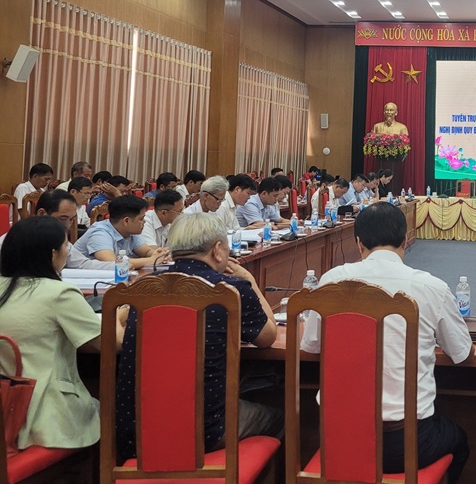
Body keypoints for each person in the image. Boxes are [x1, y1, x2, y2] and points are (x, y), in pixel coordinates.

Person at [301, 203, 473, 483]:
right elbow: (462, 354)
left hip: (340, 440)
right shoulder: (432, 287)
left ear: (358, 243)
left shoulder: (331, 281)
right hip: (405, 445)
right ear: (405, 241)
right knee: (461, 441)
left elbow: (311, 345)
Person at [116, 213, 281, 461]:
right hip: (206, 431)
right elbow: (268, 336)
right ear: (217, 250)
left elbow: (124, 323)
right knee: (280, 417)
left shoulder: (144, 288)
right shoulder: (231, 290)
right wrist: (250, 280)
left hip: (135, 431)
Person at [0, 215, 126, 450]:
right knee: (118, 412)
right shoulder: (60, 293)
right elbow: (112, 343)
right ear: (52, 254)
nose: (68, 252)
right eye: (66, 246)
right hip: (44, 416)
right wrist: (117, 312)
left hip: (6, 405)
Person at [73, 195, 169, 269]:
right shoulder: (100, 232)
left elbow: (147, 251)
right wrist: (151, 260)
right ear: (126, 221)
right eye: (141, 219)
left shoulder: (130, 233)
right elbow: (112, 262)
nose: (144, 222)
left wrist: (161, 255)